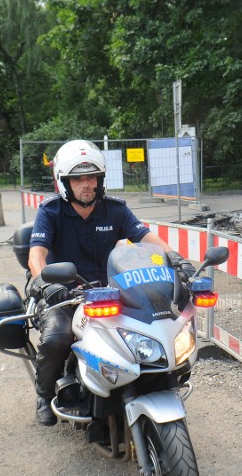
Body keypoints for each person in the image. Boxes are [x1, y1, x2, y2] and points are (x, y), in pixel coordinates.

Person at [27, 139, 195, 426]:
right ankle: (44, 393)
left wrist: (176, 259)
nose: (87, 184)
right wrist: (45, 283)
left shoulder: (114, 209)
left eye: (92, 177)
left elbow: (147, 239)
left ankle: (142, 383)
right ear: (63, 183)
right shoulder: (51, 211)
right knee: (57, 337)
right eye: (78, 179)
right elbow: (36, 255)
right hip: (64, 291)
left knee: (154, 323)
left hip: (111, 289)